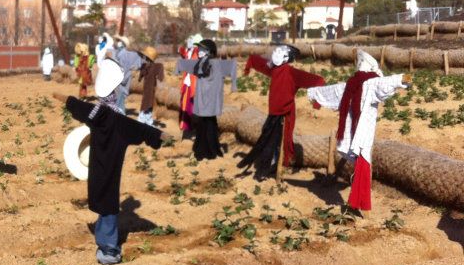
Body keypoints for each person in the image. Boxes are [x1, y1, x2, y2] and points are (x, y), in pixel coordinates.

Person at [66, 58, 163, 265]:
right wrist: (159, 136)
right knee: (109, 207)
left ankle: (103, 241)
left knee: (102, 204)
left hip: (95, 168)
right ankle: (109, 250)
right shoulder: (118, 120)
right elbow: (142, 131)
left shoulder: (94, 113)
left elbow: (76, 105)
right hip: (110, 168)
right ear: (114, 91)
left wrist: (68, 101)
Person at [308, 51, 409, 211]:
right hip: (363, 130)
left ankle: (356, 201)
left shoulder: (350, 84)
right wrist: (402, 79)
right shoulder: (371, 83)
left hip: (351, 130)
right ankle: (359, 203)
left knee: (362, 160)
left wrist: (314, 96)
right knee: (363, 159)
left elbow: (332, 91)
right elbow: (387, 82)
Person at [238, 44, 325, 180]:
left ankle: (265, 170)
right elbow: (260, 63)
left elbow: (317, 80)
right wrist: (252, 60)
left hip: (283, 114)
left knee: (272, 141)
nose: (275, 53)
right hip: (273, 111)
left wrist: (317, 99)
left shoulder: (291, 73)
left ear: (286, 57)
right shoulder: (275, 69)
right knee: (268, 139)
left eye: (280, 51)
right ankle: (266, 165)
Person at [175, 39, 237, 160]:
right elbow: (182, 63)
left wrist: (234, 85)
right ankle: (202, 148)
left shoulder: (218, 64)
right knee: (202, 124)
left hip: (212, 101)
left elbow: (233, 65)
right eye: (199, 49)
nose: (199, 51)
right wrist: (178, 67)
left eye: (203, 50)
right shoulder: (198, 63)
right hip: (201, 100)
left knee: (210, 124)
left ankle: (210, 150)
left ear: (209, 52)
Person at [178, 34, 202, 134]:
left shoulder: (197, 52)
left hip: (194, 84)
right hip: (187, 83)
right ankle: (186, 126)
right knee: (185, 105)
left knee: (191, 106)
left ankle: (192, 127)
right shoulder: (189, 52)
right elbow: (183, 53)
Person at [112, 36, 143, 115]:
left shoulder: (125, 53)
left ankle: (120, 111)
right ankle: (120, 110)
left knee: (120, 94)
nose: (119, 43)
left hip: (122, 75)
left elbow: (139, 60)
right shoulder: (135, 54)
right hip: (123, 76)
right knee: (121, 94)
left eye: (120, 42)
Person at [136, 46, 163, 126]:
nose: (144, 58)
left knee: (149, 102)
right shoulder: (145, 66)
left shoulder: (155, 66)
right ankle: (143, 118)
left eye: (145, 57)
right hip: (147, 88)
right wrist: (140, 76)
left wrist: (160, 76)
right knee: (146, 102)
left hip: (151, 88)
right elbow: (141, 75)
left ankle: (147, 119)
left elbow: (160, 67)